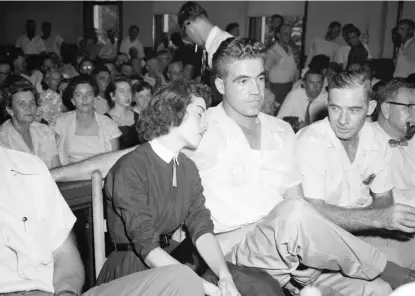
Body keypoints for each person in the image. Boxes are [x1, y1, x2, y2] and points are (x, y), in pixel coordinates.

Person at [184, 37, 415, 295]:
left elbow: (300, 207)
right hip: (234, 253)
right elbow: (147, 153)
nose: (255, 90)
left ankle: (382, 275)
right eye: (242, 81)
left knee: (379, 290)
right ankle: (392, 270)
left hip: (290, 252)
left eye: (260, 78)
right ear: (220, 84)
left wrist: (310, 256)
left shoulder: (281, 131)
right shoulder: (199, 129)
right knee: (293, 212)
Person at [96, 81, 283, 296]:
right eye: (199, 114)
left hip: (173, 260)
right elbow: (147, 249)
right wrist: (204, 287)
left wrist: (224, 277)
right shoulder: (131, 167)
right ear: (174, 112)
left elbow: (201, 226)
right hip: (132, 271)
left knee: (258, 285)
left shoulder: (187, 168)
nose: (205, 125)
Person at [0, 144, 207, 296]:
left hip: (55, 291)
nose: (202, 123)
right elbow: (131, 158)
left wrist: (66, 292)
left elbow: (65, 255)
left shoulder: (29, 166)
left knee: (183, 279)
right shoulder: (142, 161)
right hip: (142, 254)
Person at [55, 75, 120, 165]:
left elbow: (115, 162)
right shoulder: (61, 122)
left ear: (94, 97)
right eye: (79, 95)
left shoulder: (109, 125)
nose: (84, 99)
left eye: (89, 94)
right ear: (73, 100)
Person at [0, 79, 60, 169]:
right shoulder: (3, 139)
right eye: (21, 104)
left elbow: (57, 169)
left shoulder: (45, 131)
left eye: (32, 103)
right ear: (10, 110)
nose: (28, 108)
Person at [178, 1, 232, 69]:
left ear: (187, 24)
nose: (191, 40)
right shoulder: (214, 46)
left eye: (186, 33)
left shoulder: (223, 47)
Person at [265, 24, 298, 107]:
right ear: (278, 35)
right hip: (277, 89)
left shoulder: (290, 50)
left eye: (290, 34)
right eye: (285, 34)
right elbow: (265, 72)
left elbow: (294, 69)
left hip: (290, 87)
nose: (288, 36)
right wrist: (269, 93)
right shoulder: (273, 51)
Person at [104, 76, 138, 149]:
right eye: (122, 91)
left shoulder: (138, 116)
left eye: (129, 91)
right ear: (112, 96)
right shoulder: (105, 120)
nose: (127, 95)